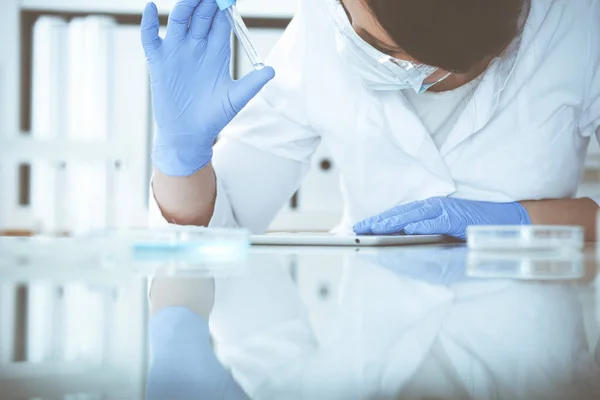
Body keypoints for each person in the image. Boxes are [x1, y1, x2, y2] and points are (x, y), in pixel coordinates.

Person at [141, 0, 600, 240]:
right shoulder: (326, 20)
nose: (349, 38)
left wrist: (525, 223)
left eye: (381, 48)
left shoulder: (579, 27)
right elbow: (226, 225)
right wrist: (182, 157)